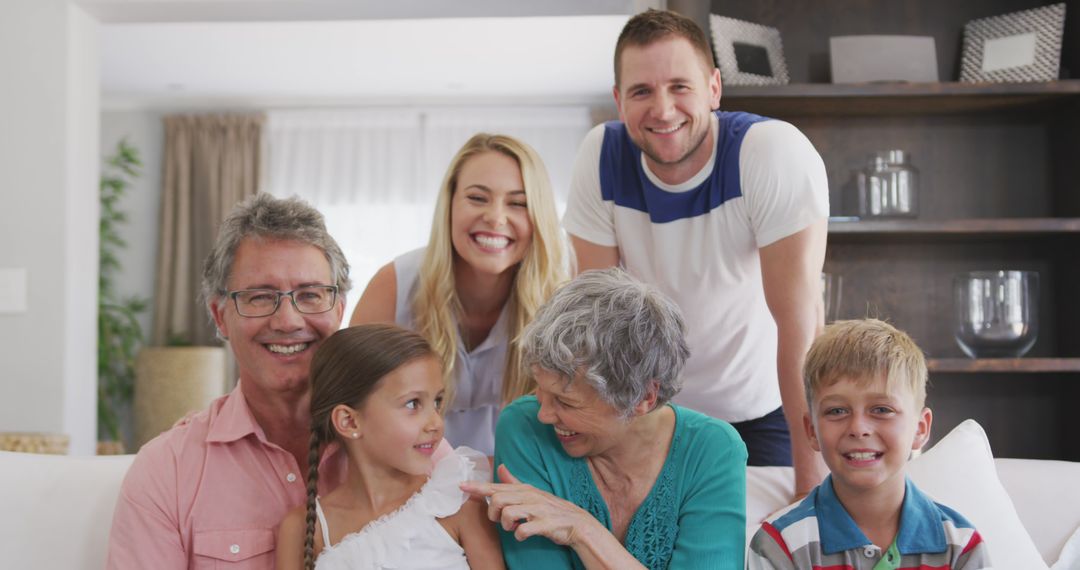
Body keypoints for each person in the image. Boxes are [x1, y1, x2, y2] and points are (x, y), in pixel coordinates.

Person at [562, 8, 830, 494]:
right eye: (642, 91)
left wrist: (814, 475)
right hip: (652, 414)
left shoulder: (770, 153)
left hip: (763, 409)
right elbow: (598, 324)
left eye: (679, 87)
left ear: (713, 88)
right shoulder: (600, 158)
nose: (662, 110)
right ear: (620, 102)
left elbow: (800, 323)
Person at [106, 194, 352, 568]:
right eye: (259, 297)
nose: (288, 320)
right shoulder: (166, 470)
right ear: (220, 317)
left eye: (310, 295)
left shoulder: (405, 442)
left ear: (339, 310)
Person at [462, 268, 748, 570]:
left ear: (643, 397)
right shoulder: (525, 428)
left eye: (565, 401)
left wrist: (582, 531)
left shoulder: (713, 451)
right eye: (539, 389)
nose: (544, 413)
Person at [350, 133, 569, 455]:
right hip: (404, 480)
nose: (495, 217)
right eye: (478, 198)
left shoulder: (560, 304)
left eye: (518, 203)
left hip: (515, 482)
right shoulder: (394, 284)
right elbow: (349, 407)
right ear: (449, 204)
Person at [747, 319, 991, 569]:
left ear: (920, 428)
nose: (858, 428)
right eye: (837, 410)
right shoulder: (779, 545)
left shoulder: (960, 546)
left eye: (882, 409)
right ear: (811, 431)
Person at [275, 324, 504, 570]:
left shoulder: (457, 503)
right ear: (349, 421)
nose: (436, 423)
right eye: (412, 403)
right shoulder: (305, 529)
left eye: (437, 401)